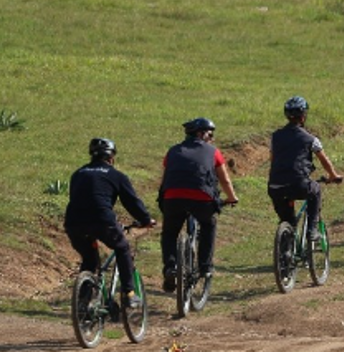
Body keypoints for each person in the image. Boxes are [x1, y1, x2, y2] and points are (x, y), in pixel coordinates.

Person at [64, 138, 157, 309]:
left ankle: (83, 303)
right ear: (112, 158)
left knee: (89, 260)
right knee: (122, 247)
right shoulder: (116, 175)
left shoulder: (77, 173)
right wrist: (145, 220)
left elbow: (81, 199)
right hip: (101, 220)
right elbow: (132, 202)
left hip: (73, 222)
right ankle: (129, 293)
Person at [157, 117, 239, 292]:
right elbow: (224, 179)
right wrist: (232, 197)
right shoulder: (213, 152)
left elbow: (164, 180)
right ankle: (205, 266)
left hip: (173, 197)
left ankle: (170, 267)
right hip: (202, 198)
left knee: (170, 233)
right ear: (201, 134)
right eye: (210, 134)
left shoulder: (172, 151)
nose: (212, 138)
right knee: (209, 224)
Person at [268, 96, 344, 243]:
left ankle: (286, 251)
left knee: (288, 220)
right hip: (298, 184)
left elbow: (272, 159)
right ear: (303, 117)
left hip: (275, 186)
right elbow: (324, 161)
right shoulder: (310, 138)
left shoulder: (275, 137)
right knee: (315, 191)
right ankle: (312, 230)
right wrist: (333, 175)